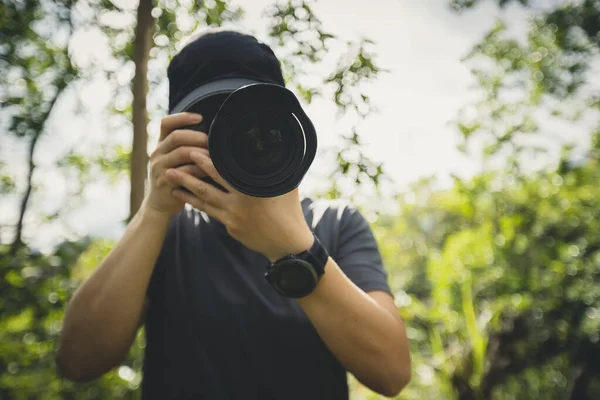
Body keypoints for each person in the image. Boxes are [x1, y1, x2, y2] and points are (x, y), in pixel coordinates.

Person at [56, 29, 411, 399]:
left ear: (285, 127)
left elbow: (392, 373)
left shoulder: (334, 224)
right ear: (176, 135)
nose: (233, 140)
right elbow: (79, 361)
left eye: (247, 121)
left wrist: (293, 248)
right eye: (210, 124)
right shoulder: (167, 232)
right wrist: (155, 210)